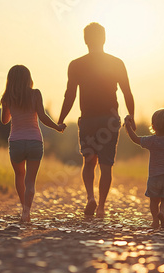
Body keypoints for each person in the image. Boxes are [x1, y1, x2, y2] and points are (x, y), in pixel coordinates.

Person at [58, 22, 136, 218]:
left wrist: (60, 119)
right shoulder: (116, 62)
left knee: (89, 161)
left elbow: (69, 96)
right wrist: (131, 116)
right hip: (110, 120)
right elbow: (127, 92)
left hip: (88, 119)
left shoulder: (76, 64)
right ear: (104, 38)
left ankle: (90, 197)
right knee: (106, 164)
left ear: (85, 40)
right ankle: (101, 207)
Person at [0, 65, 66, 222]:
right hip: (34, 141)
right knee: (30, 181)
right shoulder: (35, 94)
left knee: (19, 176)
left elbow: (4, 120)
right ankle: (27, 212)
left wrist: (8, 105)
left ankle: (24, 209)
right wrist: (57, 127)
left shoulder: (7, 96)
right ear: (29, 78)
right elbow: (42, 116)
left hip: (16, 143)